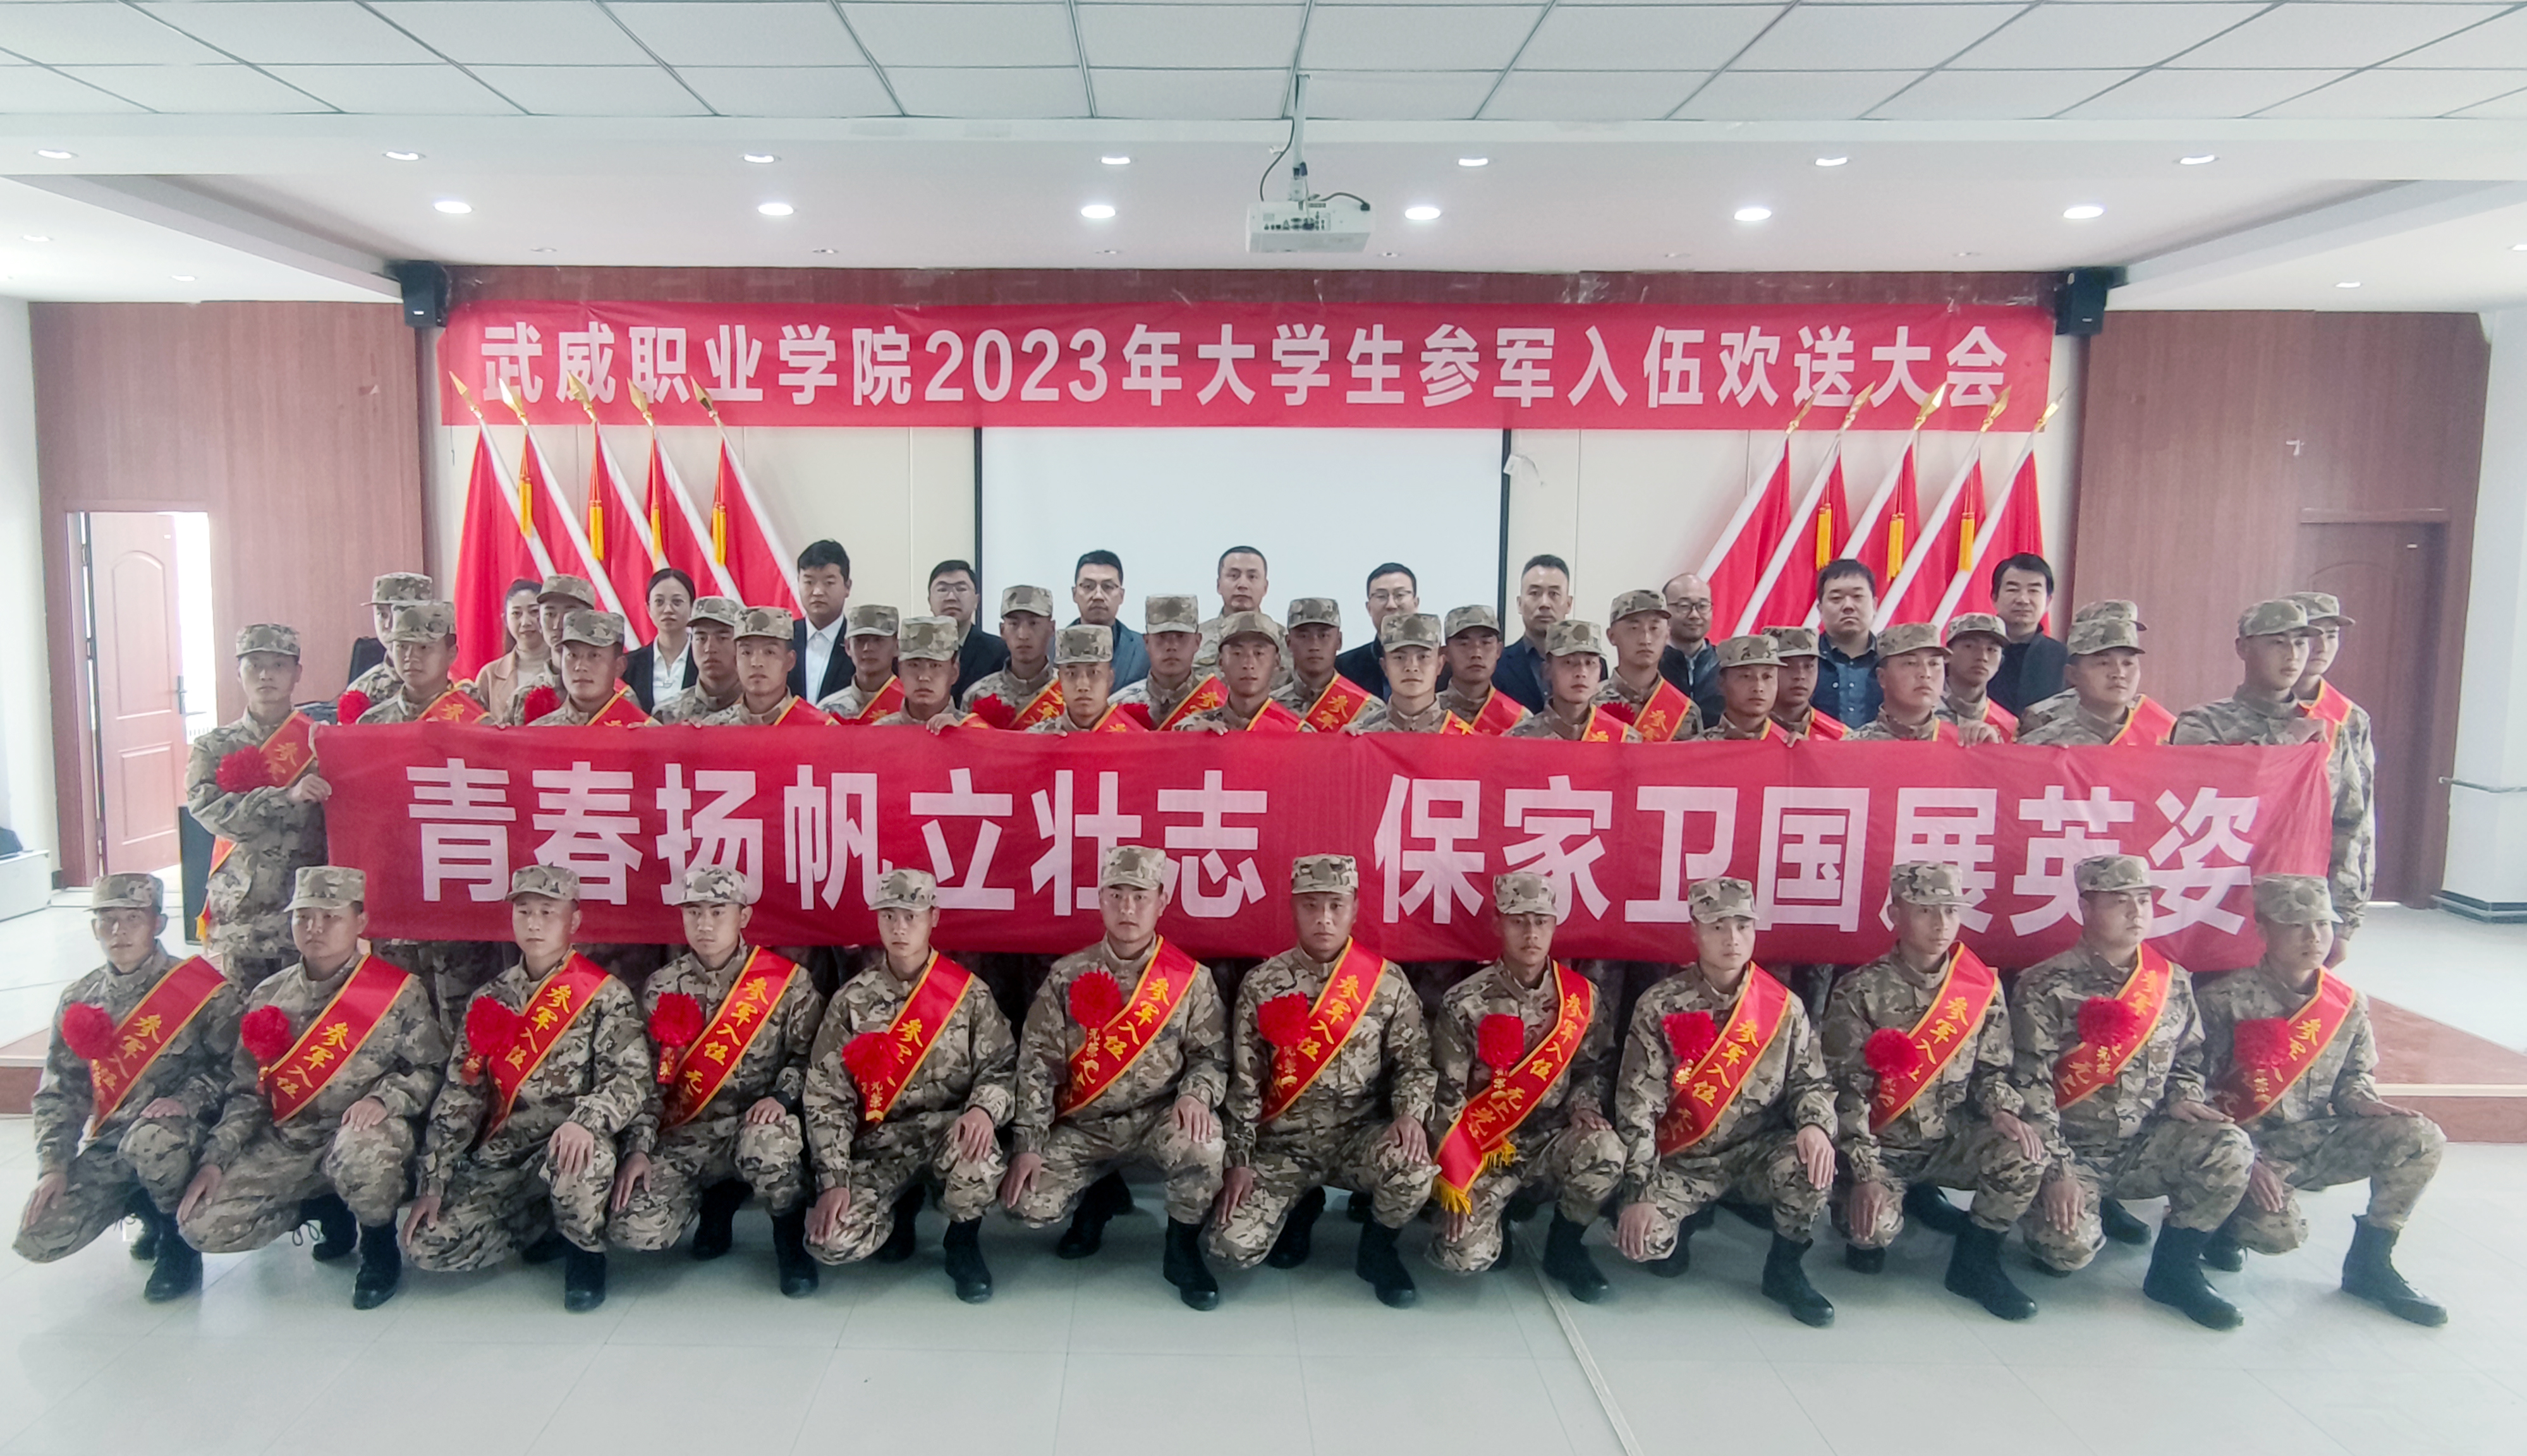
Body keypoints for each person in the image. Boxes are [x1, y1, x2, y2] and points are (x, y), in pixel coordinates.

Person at [174, 867, 444, 1310]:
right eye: (304, 917)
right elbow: (246, 1092)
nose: (315, 928)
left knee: (364, 1155)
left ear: (360, 922)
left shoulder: (398, 991)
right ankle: (321, 1208)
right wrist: (215, 1159)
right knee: (201, 1226)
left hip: (363, 1134)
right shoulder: (268, 996)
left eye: (330, 917)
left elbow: (430, 1069)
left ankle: (377, 1244)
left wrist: (385, 1099)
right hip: (290, 1139)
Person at [2011, 854, 2255, 1329]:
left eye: (2143, 900)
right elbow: (2030, 1084)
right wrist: (2058, 1169)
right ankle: (2077, 1209)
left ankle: (2175, 1271)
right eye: (2120, 902)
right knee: (2065, 1251)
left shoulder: (2171, 981)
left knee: (2230, 1146)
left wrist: (2184, 1096)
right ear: (2086, 908)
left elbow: (2189, 1057)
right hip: (2072, 1148)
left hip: (2144, 1143)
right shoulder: (2044, 984)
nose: (2136, 912)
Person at [2195, 875, 2445, 1325]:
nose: (2313, 938)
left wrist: (2366, 1103)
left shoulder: (2346, 1003)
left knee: (2420, 1136)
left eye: (2323, 924)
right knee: (2278, 1234)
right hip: (2240, 1147)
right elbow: (2196, 1093)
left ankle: (2371, 1265)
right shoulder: (2222, 1001)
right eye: (2296, 925)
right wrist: (2244, 1160)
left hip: (2310, 1137)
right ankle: (2223, 1226)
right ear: (2263, 929)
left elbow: (2354, 1078)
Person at [405, 866, 649, 1312]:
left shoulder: (604, 995)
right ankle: (540, 1223)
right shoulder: (489, 999)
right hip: (505, 1151)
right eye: (524, 912)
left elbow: (631, 1078)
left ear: (574, 921)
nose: (534, 923)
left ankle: (584, 1254)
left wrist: (586, 1121)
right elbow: (461, 1094)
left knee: (581, 1160)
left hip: (571, 1141)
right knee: (428, 1246)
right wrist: (434, 1180)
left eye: (547, 912)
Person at [1002, 846, 1227, 1309]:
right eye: (1117, 895)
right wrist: (1029, 1144)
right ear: (1100, 899)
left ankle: (1181, 1248)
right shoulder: (1067, 976)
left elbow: (1211, 1058)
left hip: (1158, 1117)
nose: (1128, 908)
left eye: (1140, 897)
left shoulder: (1189, 980)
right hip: (1084, 1123)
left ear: (1162, 901)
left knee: (1203, 1146)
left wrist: (1196, 1095)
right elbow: (1038, 1066)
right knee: (1026, 1205)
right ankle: (1100, 1194)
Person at [1210, 855, 1438, 1307]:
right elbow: (1246, 1082)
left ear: (1354, 908)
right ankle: (1302, 1205)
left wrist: (1410, 1115)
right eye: (1311, 905)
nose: (1324, 918)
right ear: (1293, 909)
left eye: (1336, 905)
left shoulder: (1385, 983)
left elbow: (1415, 1063)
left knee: (1414, 1168)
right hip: (1283, 1145)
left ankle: (1377, 1250)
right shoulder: (1263, 984)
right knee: (1230, 1247)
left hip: (1358, 1138)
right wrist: (1239, 1159)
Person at [1820, 863, 2043, 1321]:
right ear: (1895, 914)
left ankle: (1976, 1261)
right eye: (1925, 911)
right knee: (1870, 1235)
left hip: (1949, 1141)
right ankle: (1887, 1202)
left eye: (1951, 911)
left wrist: (2002, 1110)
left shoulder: (1979, 987)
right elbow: (1845, 1092)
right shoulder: (1860, 991)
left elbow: (1992, 1071)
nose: (1941, 924)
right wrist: (1865, 1173)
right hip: (1882, 1147)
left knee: (2023, 1151)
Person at [1611, 877, 1835, 1325]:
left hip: (1754, 1153)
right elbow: (1638, 1104)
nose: (1732, 938)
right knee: (1647, 1244)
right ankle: (1686, 1218)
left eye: (1742, 925)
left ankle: (1785, 1267)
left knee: (1811, 1165)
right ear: (1694, 931)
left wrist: (1815, 1125)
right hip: (1681, 1160)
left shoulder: (1782, 1007)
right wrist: (1639, 1191)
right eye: (1717, 927)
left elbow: (1811, 1083)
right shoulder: (1661, 1005)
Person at [16, 875, 241, 1302]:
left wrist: (186, 1100)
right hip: (114, 1140)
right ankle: (146, 1209)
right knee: (41, 1236)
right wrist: (54, 1165)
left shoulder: (203, 990)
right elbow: (61, 1091)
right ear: (94, 928)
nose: (119, 932)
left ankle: (177, 1242)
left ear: (158, 923)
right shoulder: (80, 998)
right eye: (108, 920)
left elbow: (237, 1072)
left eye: (133, 919)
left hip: (182, 1134)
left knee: (152, 1143)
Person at [609, 865, 824, 1298]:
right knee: (634, 1229)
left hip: (755, 1126)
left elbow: (810, 1059)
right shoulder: (661, 988)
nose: (704, 924)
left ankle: (788, 1240)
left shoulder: (786, 983)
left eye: (717, 912)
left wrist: (782, 1097)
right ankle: (716, 1203)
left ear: (744, 916)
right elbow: (646, 1080)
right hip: (686, 1132)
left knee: (772, 1145)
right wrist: (639, 1149)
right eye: (693, 912)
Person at [803, 869, 1014, 1302]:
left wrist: (983, 1110)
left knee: (980, 1156)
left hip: (946, 1136)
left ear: (933, 917)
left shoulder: (968, 995)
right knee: (831, 1242)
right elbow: (827, 1096)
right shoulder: (851, 1001)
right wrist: (834, 1179)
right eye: (889, 916)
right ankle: (899, 1211)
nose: (900, 928)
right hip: (879, 1144)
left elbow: (1002, 1067)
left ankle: (962, 1241)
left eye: (911, 916)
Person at [1425, 871, 1621, 1301]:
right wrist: (1457, 1179)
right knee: (1462, 1257)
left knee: (1606, 1151)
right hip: (1487, 1147)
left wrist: (1585, 1105)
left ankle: (1565, 1246)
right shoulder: (1465, 1001)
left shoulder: (1581, 998)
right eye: (1518, 921)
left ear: (1554, 925)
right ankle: (1497, 1216)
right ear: (1498, 924)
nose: (1531, 933)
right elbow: (1446, 1095)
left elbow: (1595, 1068)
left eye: (1541, 921)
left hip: (1552, 1138)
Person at [185, 623, 329, 990]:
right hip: (242, 910)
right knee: (245, 1015)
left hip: (307, 906)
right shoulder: (214, 746)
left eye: (279, 665)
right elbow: (212, 813)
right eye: (255, 665)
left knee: (307, 1010)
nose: (266, 675)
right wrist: (286, 797)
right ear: (239, 673)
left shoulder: (323, 741)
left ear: (297, 673)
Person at [2288, 592, 2377, 958]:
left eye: (2332, 635)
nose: (2322, 646)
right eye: (2311, 635)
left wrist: (2347, 918)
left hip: (2315, 885)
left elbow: (2357, 822)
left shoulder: (2348, 718)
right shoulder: (2236, 715)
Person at [2016, 615, 2173, 746]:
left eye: (2128, 663)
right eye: (2103, 663)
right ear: (2073, 674)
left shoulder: (2164, 742)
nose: (2119, 673)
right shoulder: (2041, 744)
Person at [1848, 622, 1999, 743]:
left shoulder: (1963, 742)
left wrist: (1989, 751)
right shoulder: (1855, 747)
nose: (1925, 674)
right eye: (1911, 663)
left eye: (1934, 664)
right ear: (1882, 677)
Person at [489, 574, 597, 725]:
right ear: (540, 622)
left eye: (569, 614)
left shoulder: (610, 695)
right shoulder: (523, 698)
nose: (558, 624)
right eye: (550, 614)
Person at [353, 604, 487, 725]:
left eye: (424, 647)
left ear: (451, 654)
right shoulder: (372, 723)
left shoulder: (476, 723)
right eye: (402, 646)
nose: (410, 656)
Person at [1508, 620, 1640, 741]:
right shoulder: (1519, 740)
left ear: (1600, 671)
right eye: (1569, 662)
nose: (1581, 673)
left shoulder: (1625, 740)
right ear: (1547, 670)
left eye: (1589, 663)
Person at [1174, 612, 1306, 732]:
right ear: (1221, 662)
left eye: (1259, 653)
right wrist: (1195, 742)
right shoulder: (1194, 729)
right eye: (1237, 653)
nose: (1248, 664)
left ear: (1276, 662)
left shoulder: (1297, 732)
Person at [1595, 590, 1701, 740]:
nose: (1646, 639)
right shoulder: (1589, 705)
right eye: (1634, 628)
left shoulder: (1686, 712)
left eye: (1654, 628)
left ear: (1667, 635)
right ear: (1612, 636)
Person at [1107, 593, 1223, 730]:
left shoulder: (1220, 705)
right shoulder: (1119, 707)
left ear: (1197, 642)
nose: (1171, 646)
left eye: (1180, 636)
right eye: (1162, 637)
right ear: (1146, 642)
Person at [698, 607, 829, 726]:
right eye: (746, 652)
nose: (756, 662)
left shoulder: (817, 728)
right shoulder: (715, 729)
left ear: (790, 661)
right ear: (735, 661)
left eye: (769, 652)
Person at [1273, 598, 1387, 732]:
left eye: (1324, 636)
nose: (1314, 646)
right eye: (1303, 636)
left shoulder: (1371, 710)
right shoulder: (1271, 707)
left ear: (1339, 641)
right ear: (1288, 643)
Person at [961, 585, 1063, 728]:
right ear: (1002, 630)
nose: (1023, 635)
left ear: (1052, 628)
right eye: (1014, 624)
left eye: (1033, 623)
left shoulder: (1068, 693)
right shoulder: (977, 695)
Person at [527, 610, 650, 725]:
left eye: (594, 656)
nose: (580, 666)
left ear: (619, 666)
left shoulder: (643, 731)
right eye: (572, 655)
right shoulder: (540, 733)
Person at [1987, 553, 2067, 715]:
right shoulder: (1971, 652)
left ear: (2048, 601)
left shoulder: (2065, 658)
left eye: (2034, 591)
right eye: (2013, 589)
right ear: (1994, 598)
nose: (2023, 599)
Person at [1353, 614, 1458, 734]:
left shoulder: (1463, 738)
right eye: (1399, 657)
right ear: (1385, 667)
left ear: (1440, 665)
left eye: (1423, 657)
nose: (1411, 667)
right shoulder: (1363, 734)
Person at [1494, 554, 1571, 712]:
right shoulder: (1497, 665)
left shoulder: (1590, 666)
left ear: (1569, 604)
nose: (1545, 604)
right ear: (1519, 604)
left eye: (1554, 594)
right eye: (1535, 593)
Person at [1031, 624, 1143, 733]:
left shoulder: (1135, 740)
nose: (1083, 686)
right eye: (1071, 674)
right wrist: (1047, 744)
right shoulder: (1037, 738)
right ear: (1061, 679)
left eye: (1094, 673)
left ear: (1110, 678)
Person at [654, 595, 745, 724]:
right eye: (701, 638)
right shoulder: (667, 715)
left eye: (722, 638)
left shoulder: (760, 713)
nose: (710, 648)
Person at [1813, 559, 1882, 727]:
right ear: (1820, 609)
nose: (1848, 606)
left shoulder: (1892, 661)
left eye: (1858, 597)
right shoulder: (1806, 662)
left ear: (1874, 605)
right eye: (1836, 598)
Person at [345, 571, 433, 703]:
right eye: (383, 615)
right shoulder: (362, 691)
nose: (388, 625)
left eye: (399, 613)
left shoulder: (449, 684)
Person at [1334, 562, 1418, 698]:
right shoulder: (1343, 668)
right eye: (1381, 596)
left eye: (1400, 595)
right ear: (1369, 608)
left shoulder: (1440, 666)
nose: (1391, 605)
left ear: (1416, 603)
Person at [1439, 605, 1528, 734]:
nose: (1476, 653)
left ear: (1499, 651)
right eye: (1464, 644)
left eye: (1486, 643)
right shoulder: (1430, 715)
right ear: (1446, 653)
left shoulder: (1521, 721)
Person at [929, 558, 1008, 698]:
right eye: (942, 590)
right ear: (929, 601)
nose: (951, 597)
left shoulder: (999, 652)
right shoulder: (910, 651)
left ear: (977, 601)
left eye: (961, 589)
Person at [786, 540, 853, 703]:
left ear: (847, 587)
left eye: (829, 583)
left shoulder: (860, 643)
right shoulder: (784, 639)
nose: (817, 592)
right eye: (809, 582)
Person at [470, 578, 547, 722]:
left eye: (534, 612)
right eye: (516, 614)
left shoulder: (565, 668)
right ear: (505, 620)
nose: (526, 622)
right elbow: (477, 727)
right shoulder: (490, 675)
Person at [623, 567, 697, 712]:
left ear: (692, 607)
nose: (668, 609)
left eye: (677, 602)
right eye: (659, 602)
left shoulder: (706, 661)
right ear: (648, 609)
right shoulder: (629, 665)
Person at [1070, 550, 1148, 688]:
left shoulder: (1144, 651)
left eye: (1108, 587)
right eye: (1088, 587)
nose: (1098, 596)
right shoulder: (1051, 648)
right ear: (1074, 594)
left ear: (1122, 596)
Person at [872, 616, 966, 730]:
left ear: (954, 673)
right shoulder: (880, 732)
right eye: (914, 665)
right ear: (900, 670)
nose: (923, 677)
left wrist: (962, 735)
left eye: (935, 665)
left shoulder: (974, 731)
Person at [1657, 571, 1723, 724]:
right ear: (1664, 611)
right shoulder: (1650, 665)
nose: (1694, 615)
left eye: (1703, 606)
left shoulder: (1727, 666)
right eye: (1684, 606)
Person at [819, 604, 903, 723]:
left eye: (878, 640)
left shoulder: (913, 708)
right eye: (860, 640)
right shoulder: (828, 710)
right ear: (848, 647)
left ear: (897, 646)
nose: (868, 648)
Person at [1197, 545, 1273, 672]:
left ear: (1265, 587)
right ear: (1219, 585)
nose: (1242, 585)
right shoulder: (1196, 640)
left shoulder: (1285, 641)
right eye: (1233, 576)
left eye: (1252, 577)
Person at [1763, 626, 1847, 742]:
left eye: (1808, 666)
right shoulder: (1744, 732)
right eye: (1787, 666)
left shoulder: (1840, 737)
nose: (1800, 675)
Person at [1942, 613, 2016, 741]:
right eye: (1969, 646)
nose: (1982, 657)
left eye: (1991, 649)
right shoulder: (1918, 714)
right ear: (1947, 655)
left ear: (2001, 661)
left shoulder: (2009, 727)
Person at [1697, 634, 1786, 739]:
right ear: (1722, 683)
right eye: (1746, 676)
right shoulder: (1698, 747)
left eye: (1767, 676)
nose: (1758, 688)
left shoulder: (1790, 744)